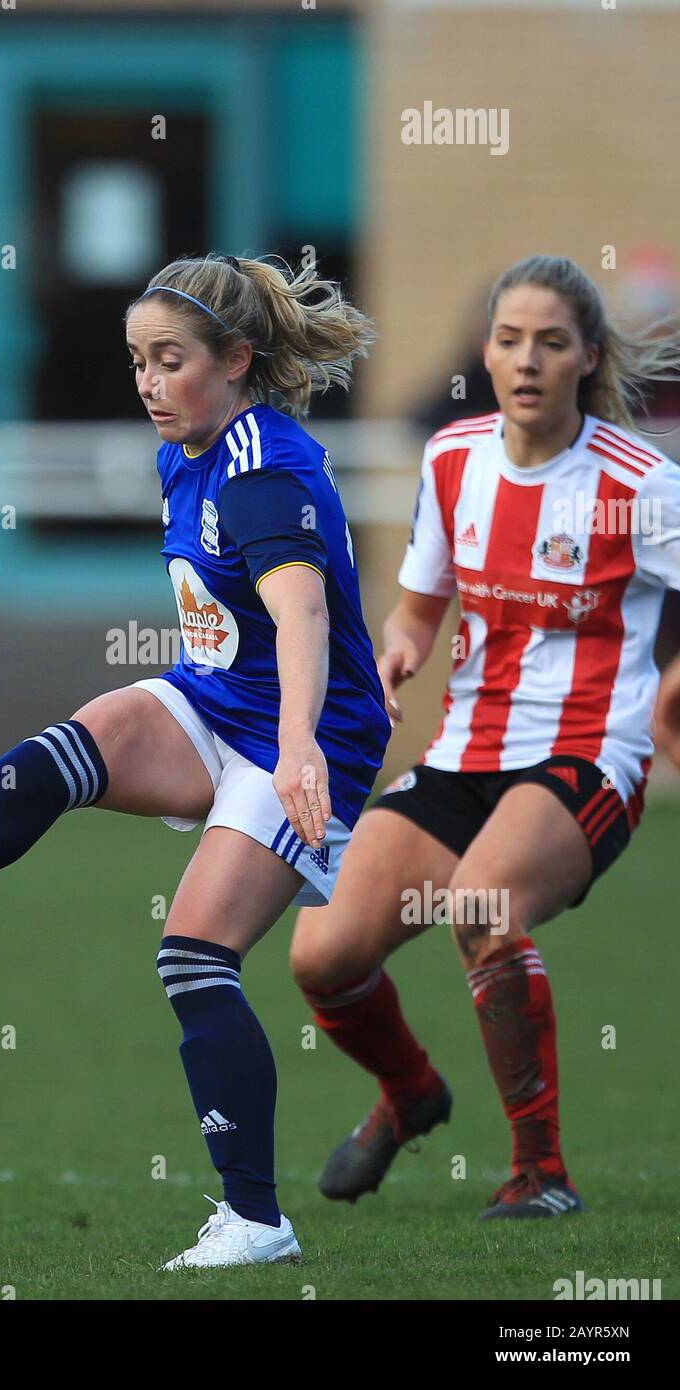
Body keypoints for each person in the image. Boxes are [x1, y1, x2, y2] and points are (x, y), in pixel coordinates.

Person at [0, 253, 390, 1268]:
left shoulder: (260, 465)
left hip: (305, 736)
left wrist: (299, 745)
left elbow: (300, 612)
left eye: (169, 361)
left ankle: (255, 1221)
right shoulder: (185, 446)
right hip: (215, 700)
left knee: (191, 953)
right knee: (66, 751)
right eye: (136, 361)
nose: (147, 383)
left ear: (236, 359)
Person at [289, 254, 680, 1220]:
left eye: (551, 342)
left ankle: (540, 1173)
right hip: (465, 755)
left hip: (588, 758)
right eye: (510, 340)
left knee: (481, 905)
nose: (529, 359)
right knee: (322, 955)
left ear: (588, 355)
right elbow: (421, 607)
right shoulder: (454, 458)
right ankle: (411, 1093)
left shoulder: (642, 481)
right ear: (486, 352)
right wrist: (398, 652)